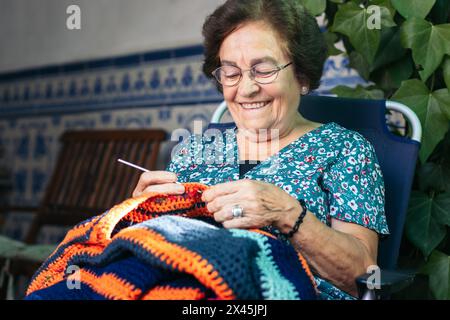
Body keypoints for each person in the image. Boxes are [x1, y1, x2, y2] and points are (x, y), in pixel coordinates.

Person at [133, 0, 389, 300]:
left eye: (263, 70)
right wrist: (139, 215)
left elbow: (363, 276)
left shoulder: (345, 150)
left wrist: (286, 213)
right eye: (231, 73)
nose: (246, 89)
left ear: (302, 76)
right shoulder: (194, 150)